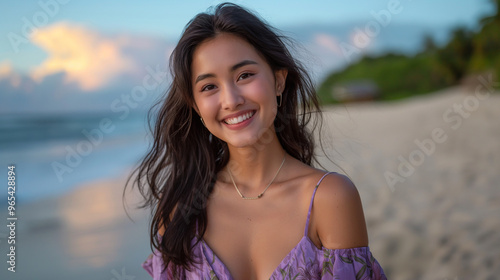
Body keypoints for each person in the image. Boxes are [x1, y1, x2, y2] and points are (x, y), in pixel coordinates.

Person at [128, 2, 387, 279]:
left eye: (245, 75)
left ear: (278, 81)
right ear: (195, 105)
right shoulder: (181, 212)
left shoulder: (329, 198)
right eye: (209, 87)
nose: (231, 100)